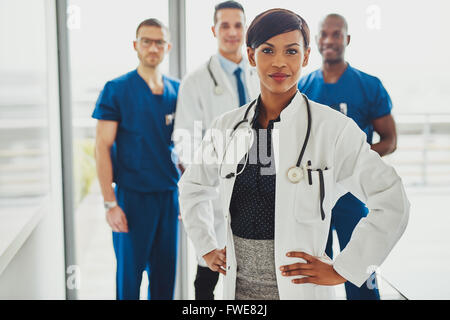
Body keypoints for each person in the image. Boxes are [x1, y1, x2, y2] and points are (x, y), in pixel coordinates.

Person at [178, 8, 409, 300]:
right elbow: (192, 187)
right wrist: (206, 247)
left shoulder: (332, 129)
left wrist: (345, 268)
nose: (279, 62)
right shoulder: (227, 127)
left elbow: (392, 198)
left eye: (290, 51)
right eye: (267, 50)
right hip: (239, 292)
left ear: (306, 56)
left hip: (301, 291)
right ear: (251, 56)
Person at [298, 13, 397, 300]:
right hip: (314, 197)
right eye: (324, 34)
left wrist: (350, 161)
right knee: (314, 274)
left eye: (336, 34)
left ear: (347, 39)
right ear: (316, 40)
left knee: (361, 274)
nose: (329, 40)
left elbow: (389, 141)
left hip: (353, 196)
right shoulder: (303, 88)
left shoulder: (368, 86)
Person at [173, 1, 259, 300]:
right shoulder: (195, 82)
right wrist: (209, 176)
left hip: (260, 189)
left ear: (246, 30)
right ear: (214, 30)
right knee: (209, 273)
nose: (232, 32)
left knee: (254, 276)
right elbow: (185, 140)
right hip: (215, 190)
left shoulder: (259, 74)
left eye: (238, 25)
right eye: (225, 25)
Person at [92, 18, 180, 300]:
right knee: (129, 282)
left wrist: (188, 196)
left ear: (167, 47)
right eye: (146, 41)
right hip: (132, 199)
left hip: (168, 197)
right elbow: (101, 147)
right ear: (136, 45)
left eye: (158, 42)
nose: (152, 47)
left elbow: (187, 148)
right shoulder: (116, 89)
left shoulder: (178, 91)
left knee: (165, 281)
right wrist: (110, 204)